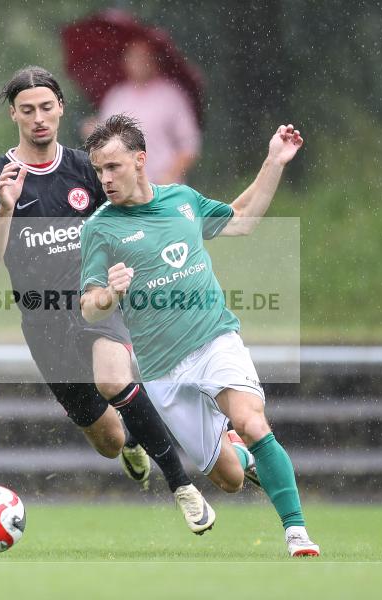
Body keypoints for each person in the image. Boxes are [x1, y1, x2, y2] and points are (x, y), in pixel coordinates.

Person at [0, 66, 214, 534]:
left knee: (113, 377)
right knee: (108, 439)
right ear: (13, 115)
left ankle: (182, 485)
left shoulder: (88, 168)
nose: (39, 118)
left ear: (61, 108)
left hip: (96, 301)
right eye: (27, 110)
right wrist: (5, 208)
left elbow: (137, 214)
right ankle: (130, 440)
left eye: (46, 107)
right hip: (42, 321)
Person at [79, 114, 320, 557]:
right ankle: (242, 456)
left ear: (140, 160)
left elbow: (242, 218)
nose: (105, 178)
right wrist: (110, 295)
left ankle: (297, 533)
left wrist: (274, 161)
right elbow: (89, 305)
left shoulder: (182, 200)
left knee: (251, 422)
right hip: (162, 370)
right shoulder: (100, 226)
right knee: (229, 479)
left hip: (214, 340)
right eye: (98, 170)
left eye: (113, 166)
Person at [81, 39, 200, 185]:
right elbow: (107, 140)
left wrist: (170, 174)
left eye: (143, 56)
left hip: (163, 187)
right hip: (125, 187)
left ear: (154, 59)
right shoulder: (117, 96)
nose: (138, 62)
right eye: (133, 57)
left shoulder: (171, 96)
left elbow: (189, 144)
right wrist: (94, 131)